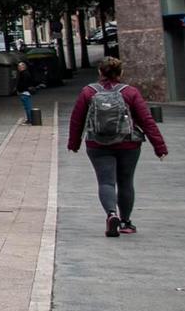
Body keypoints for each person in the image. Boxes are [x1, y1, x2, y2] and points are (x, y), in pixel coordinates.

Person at [66, 57, 169, 236]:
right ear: (120, 73)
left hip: (97, 144)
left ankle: (111, 214)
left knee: (106, 181)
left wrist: (74, 143)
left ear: (100, 72)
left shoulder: (88, 92)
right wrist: (159, 147)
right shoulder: (130, 92)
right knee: (126, 182)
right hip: (128, 144)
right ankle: (126, 222)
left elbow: (77, 120)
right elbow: (147, 121)